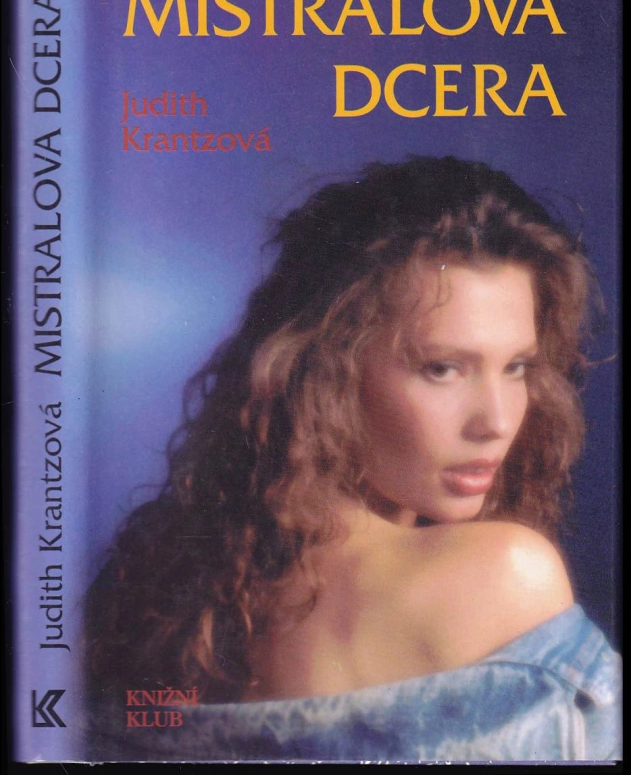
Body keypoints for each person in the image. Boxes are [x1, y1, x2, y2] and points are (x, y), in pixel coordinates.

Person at [85, 156, 621, 762]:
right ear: (327, 372)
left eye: (516, 367)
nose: (496, 422)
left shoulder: (155, 600)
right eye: (441, 369)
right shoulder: (505, 573)